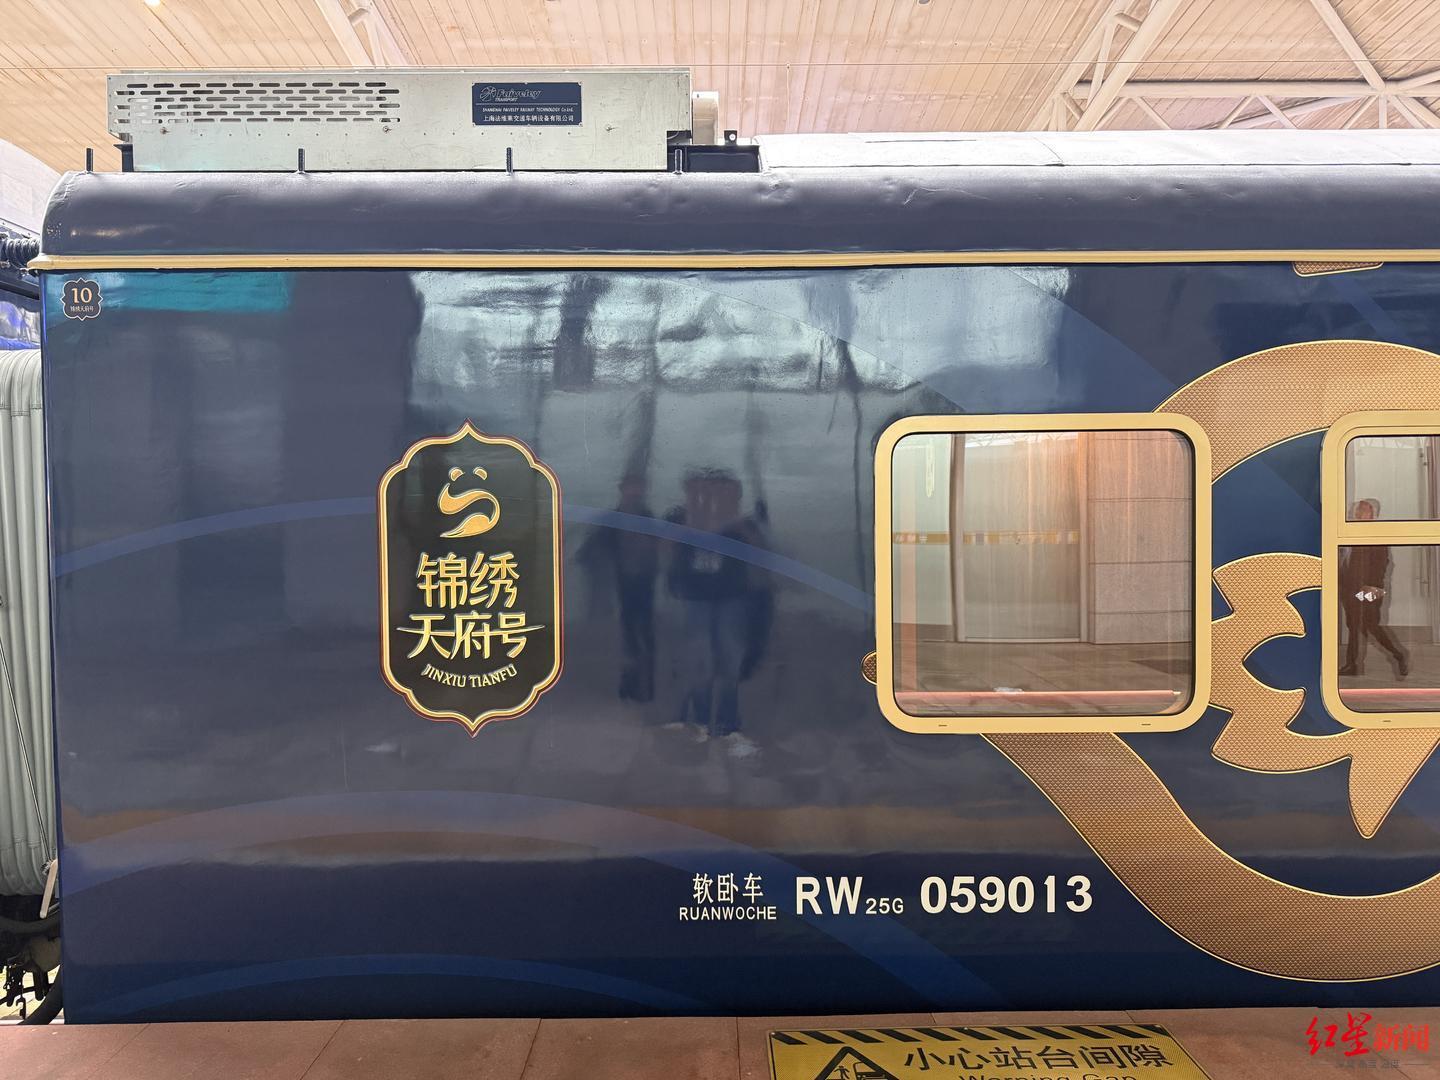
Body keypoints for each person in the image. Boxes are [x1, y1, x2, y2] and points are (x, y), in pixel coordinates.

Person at [1339, 498, 1410, 679]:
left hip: (1369, 588)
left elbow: (1381, 564)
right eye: (1359, 509)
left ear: (1373, 514)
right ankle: (1352, 665)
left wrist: (1372, 587)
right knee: (1353, 625)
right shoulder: (1349, 531)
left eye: (1365, 510)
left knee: (1370, 625)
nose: (1360, 513)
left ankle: (1398, 654)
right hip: (1349, 588)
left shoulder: (1376, 533)